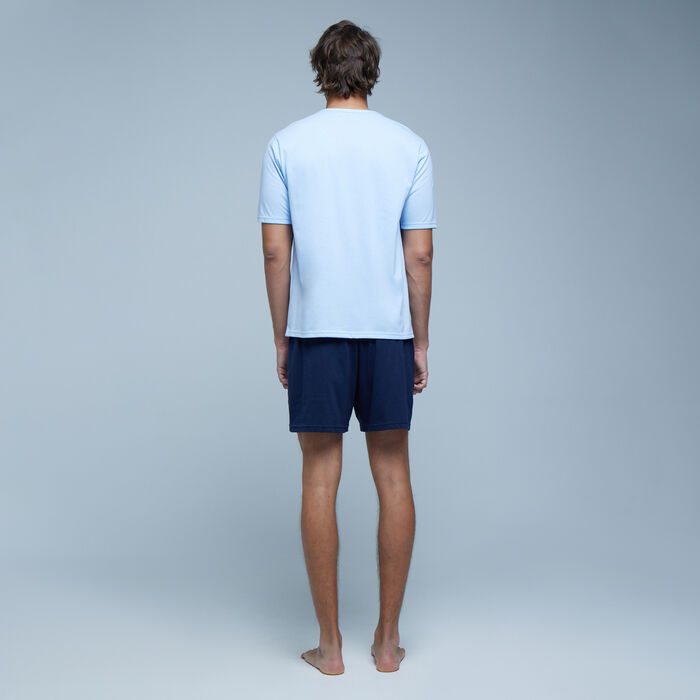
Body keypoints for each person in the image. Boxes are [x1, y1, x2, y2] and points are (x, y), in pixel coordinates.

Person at [256, 19, 436, 675]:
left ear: (320, 70)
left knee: (318, 477)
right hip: (388, 333)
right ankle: (387, 644)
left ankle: (329, 647)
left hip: (317, 333)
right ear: (371, 71)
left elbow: (276, 251)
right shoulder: (409, 145)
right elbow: (420, 256)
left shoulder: (286, 144)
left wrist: (282, 335)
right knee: (394, 474)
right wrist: (420, 341)